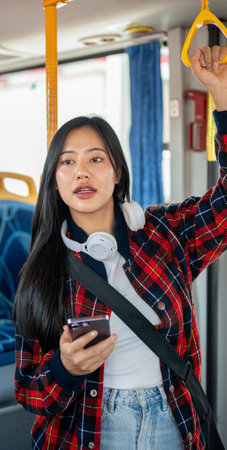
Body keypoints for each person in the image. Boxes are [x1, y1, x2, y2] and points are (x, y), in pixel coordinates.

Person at [13, 46, 227, 449]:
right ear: (55, 181)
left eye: (96, 159)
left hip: (172, 417)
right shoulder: (43, 271)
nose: (81, 171)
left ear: (117, 172)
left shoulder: (165, 234)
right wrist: (65, 368)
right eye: (67, 162)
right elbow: (29, 392)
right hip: (88, 430)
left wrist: (224, 99)